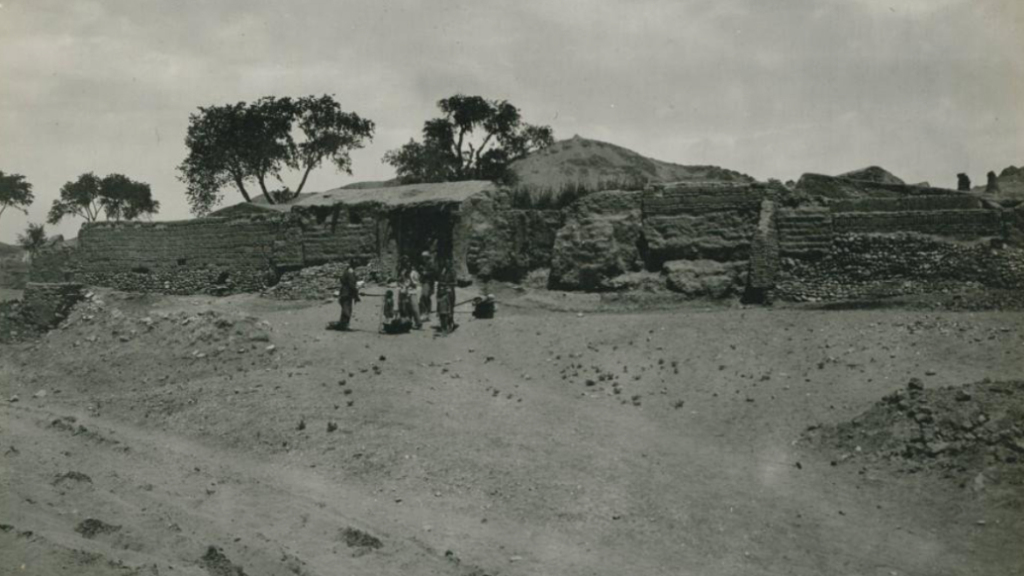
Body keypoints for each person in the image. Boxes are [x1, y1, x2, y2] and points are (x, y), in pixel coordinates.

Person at [337, 260, 360, 330]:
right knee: (347, 309)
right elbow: (351, 285)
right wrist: (356, 294)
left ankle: (343, 324)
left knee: (345, 308)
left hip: (344, 292)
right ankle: (345, 325)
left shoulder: (346, 272)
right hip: (347, 293)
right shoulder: (350, 273)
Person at [419, 251, 436, 318]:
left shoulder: (431, 263)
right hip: (424, 281)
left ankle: (427, 310)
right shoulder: (424, 263)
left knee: (425, 295)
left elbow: (434, 272)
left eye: (424, 257)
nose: (423, 258)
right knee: (424, 296)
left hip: (428, 282)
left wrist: (426, 273)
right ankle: (426, 310)